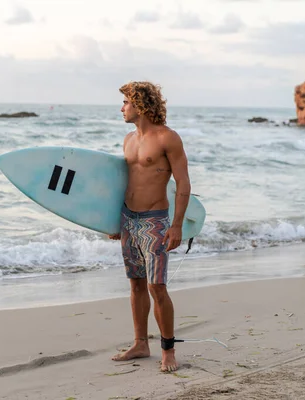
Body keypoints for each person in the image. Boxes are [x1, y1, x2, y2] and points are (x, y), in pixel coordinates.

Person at [109, 81, 191, 372]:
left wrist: (177, 226)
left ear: (140, 104)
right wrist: (111, 220)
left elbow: (183, 183)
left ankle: (167, 350)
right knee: (136, 285)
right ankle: (140, 343)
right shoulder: (128, 140)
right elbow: (124, 183)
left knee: (157, 287)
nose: (122, 108)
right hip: (128, 219)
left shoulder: (168, 138)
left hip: (155, 222)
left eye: (126, 103)